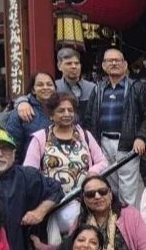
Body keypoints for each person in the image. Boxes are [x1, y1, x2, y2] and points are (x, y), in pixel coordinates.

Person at [23, 92, 107, 234]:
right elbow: (29, 172)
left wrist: (92, 172)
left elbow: (102, 161)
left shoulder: (84, 135)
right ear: (51, 114)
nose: (67, 114)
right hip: (53, 205)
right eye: (61, 111)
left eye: (70, 110)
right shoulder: (41, 138)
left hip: (83, 202)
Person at [83, 47, 146, 208]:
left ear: (125, 65)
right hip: (103, 143)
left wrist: (141, 137)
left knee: (128, 189)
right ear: (103, 66)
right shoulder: (98, 89)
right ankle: (114, 219)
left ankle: (128, 220)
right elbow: (89, 118)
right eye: (109, 61)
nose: (114, 63)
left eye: (117, 60)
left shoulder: (136, 87)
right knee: (109, 186)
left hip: (127, 143)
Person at [15, 48, 96, 123]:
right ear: (59, 66)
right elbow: (30, 97)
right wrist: (22, 102)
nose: (73, 66)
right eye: (69, 64)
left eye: (76, 63)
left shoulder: (92, 88)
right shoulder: (54, 87)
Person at [6, 72, 56, 164]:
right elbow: (12, 147)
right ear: (33, 90)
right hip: (30, 167)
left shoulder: (62, 109)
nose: (45, 87)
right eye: (40, 85)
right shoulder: (21, 112)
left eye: (49, 84)